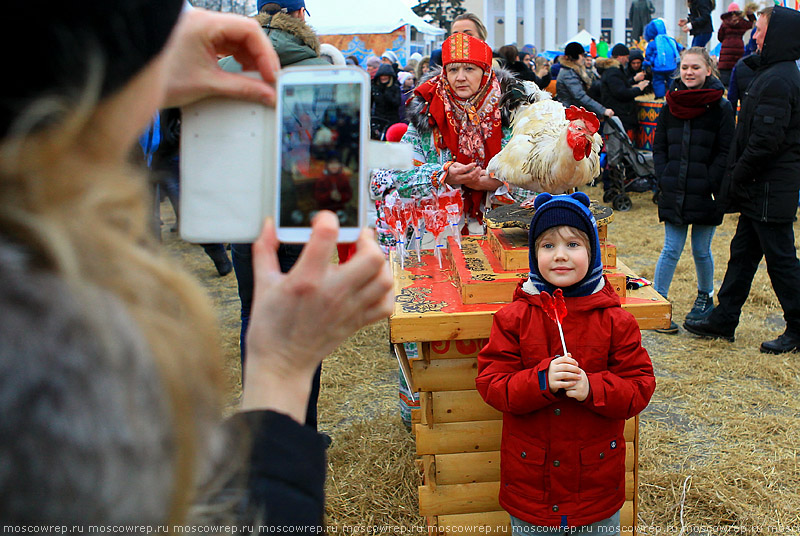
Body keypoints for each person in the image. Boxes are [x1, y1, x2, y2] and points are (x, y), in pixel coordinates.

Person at [0, 2, 393, 527]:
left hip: (243, 218)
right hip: (300, 210)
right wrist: (279, 377)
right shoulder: (50, 334)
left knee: (254, 304)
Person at [475, 192, 656, 534]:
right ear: (533, 253)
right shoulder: (513, 317)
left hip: (596, 490)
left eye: (573, 244)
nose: (560, 255)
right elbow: (491, 383)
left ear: (593, 253)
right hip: (531, 490)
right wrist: (540, 380)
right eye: (547, 246)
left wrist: (592, 387)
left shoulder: (617, 322)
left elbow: (639, 389)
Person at [219, 0, 331, 433]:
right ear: (299, 17)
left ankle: (264, 428)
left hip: (243, 210)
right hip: (302, 210)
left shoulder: (227, 66)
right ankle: (301, 429)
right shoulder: (319, 68)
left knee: (254, 315)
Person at [684, 6, 800, 353]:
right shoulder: (773, 73)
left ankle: (798, 326)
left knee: (780, 260)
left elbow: (765, 141)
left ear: (776, 35)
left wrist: (736, 175)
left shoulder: (780, 80)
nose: (755, 36)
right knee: (742, 255)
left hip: (768, 187)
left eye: (761, 30)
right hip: (760, 189)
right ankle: (725, 318)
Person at [370, 33, 532, 238]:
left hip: (505, 232)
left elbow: (542, 184)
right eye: (453, 69)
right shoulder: (427, 114)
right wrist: (441, 176)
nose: (460, 77)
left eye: (469, 69)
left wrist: (501, 184)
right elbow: (398, 175)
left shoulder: (516, 115)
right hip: (439, 235)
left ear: (485, 72)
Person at [651, 47, 735, 334]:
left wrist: (713, 182)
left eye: (695, 68)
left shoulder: (721, 107)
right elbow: (659, 145)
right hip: (674, 187)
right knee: (671, 248)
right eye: (685, 67)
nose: (689, 72)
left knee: (701, 249)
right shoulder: (670, 104)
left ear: (708, 70)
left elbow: (726, 150)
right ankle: (658, 301)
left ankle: (705, 297)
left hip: (706, 191)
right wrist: (663, 176)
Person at [600, 44, 651, 136]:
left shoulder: (614, 70)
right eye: (627, 57)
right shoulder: (613, 72)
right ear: (620, 57)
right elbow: (621, 93)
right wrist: (638, 89)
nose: (627, 60)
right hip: (620, 115)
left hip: (621, 115)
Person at [556, 42, 614, 120]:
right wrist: (603, 110)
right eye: (582, 55)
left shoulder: (573, 71)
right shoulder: (568, 73)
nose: (583, 58)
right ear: (574, 56)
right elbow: (580, 96)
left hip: (573, 113)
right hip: (570, 115)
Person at [717, 2, 757, 88]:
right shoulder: (742, 22)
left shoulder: (724, 23)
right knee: (737, 73)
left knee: (725, 77)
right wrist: (750, 15)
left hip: (726, 53)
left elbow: (720, 37)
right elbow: (752, 24)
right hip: (739, 49)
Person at [645, 19, 682, 98]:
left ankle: (660, 96)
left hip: (658, 68)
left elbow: (648, 56)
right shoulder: (671, 40)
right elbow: (679, 48)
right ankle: (674, 95)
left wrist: (647, 64)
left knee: (658, 81)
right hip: (672, 66)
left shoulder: (653, 43)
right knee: (672, 81)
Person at [371, 63, 402, 138]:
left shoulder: (395, 88)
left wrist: (387, 92)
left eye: (386, 75)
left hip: (392, 121)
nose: (383, 77)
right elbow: (369, 104)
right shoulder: (374, 88)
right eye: (382, 75)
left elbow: (397, 103)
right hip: (378, 120)